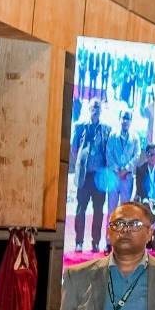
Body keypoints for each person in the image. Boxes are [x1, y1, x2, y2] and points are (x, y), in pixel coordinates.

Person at [70, 100, 112, 253]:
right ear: (89, 109)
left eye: (98, 107)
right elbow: (74, 148)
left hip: (99, 178)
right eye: (93, 107)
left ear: (101, 110)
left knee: (98, 211)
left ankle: (95, 242)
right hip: (85, 176)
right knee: (80, 209)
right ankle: (79, 242)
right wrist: (82, 162)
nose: (95, 109)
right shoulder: (80, 126)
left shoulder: (106, 129)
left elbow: (108, 151)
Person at [105, 111, 142, 224]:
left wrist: (126, 168)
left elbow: (137, 155)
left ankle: (123, 234)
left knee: (125, 209)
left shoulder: (135, 137)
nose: (125, 121)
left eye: (128, 119)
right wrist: (117, 169)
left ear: (131, 121)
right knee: (112, 208)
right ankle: (110, 234)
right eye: (123, 118)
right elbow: (108, 153)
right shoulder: (113, 135)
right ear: (119, 119)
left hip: (127, 177)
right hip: (114, 176)